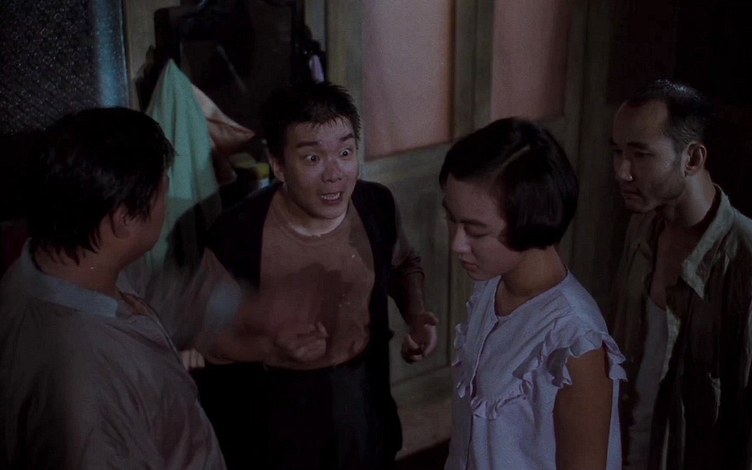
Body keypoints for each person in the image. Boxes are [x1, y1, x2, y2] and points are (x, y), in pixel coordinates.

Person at [193, 80, 438, 469]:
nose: (335, 174)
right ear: (278, 164)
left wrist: (418, 316)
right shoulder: (236, 235)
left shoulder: (375, 205)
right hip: (275, 412)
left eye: (345, 152)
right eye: (312, 158)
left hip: (362, 394)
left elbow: (404, 264)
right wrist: (271, 348)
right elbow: (208, 338)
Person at [0, 107, 226, 469]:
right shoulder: (87, 392)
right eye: (163, 193)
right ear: (126, 220)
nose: (167, 202)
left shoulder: (67, 258)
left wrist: (245, 310)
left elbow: (153, 291)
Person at [608, 79, 752, 470]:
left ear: (693, 159)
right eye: (617, 152)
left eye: (639, 155)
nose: (622, 172)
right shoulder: (642, 230)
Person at [441, 117, 625, 470]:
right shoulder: (490, 286)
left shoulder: (575, 340)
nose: (457, 244)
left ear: (530, 219)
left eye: (475, 231)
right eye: (452, 219)